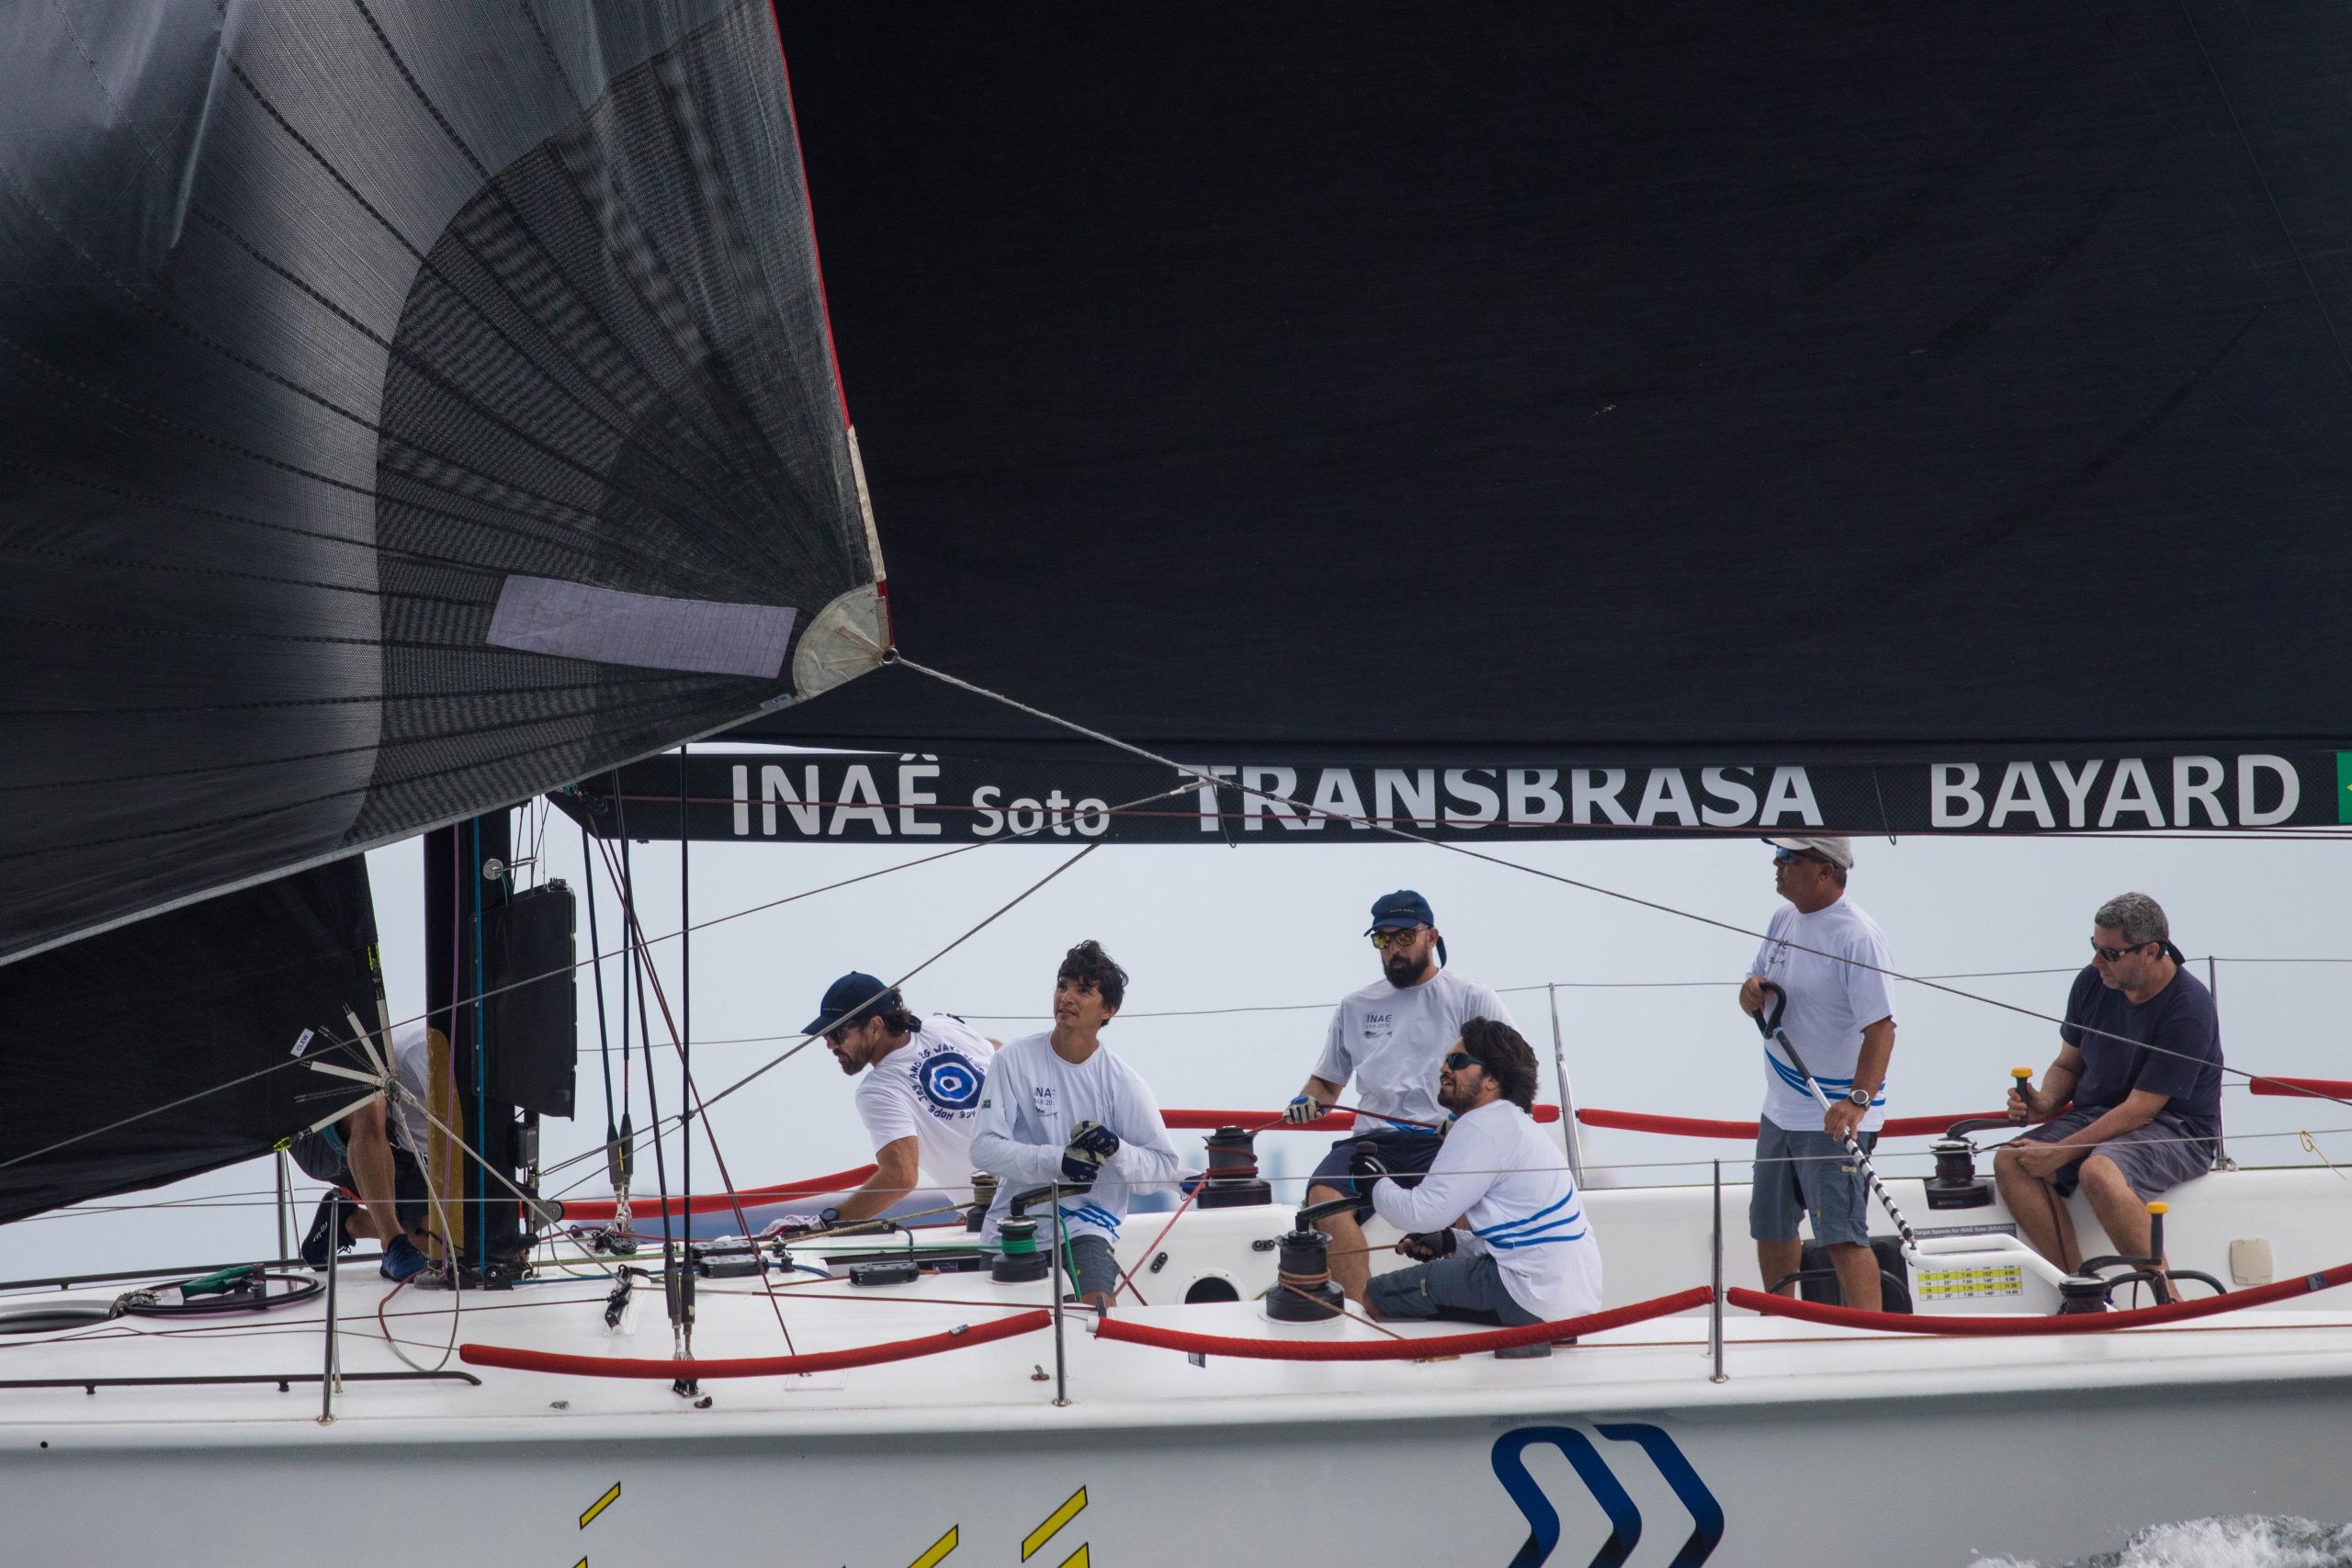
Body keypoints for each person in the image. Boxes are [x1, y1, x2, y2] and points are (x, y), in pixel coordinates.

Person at [1289, 889, 1514, 1304]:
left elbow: (1512, 1074)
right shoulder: (1354, 1006)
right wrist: (1304, 1102)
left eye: (1404, 938)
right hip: (1371, 1142)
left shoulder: (1472, 998)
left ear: (1432, 937)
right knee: (1322, 1199)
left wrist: (1468, 1120)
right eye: (1383, 939)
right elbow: (1325, 1085)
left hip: (1446, 1138)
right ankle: (1361, 1324)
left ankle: (1461, 1316)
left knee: (1469, 1201)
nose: (1393, 949)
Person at [1994, 893, 2222, 1292]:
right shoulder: (2093, 982)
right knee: (2012, 1161)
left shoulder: (2189, 1007)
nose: (2098, 962)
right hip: (2101, 1113)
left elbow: (2141, 1111)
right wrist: (2044, 1102)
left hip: (2179, 1128)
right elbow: (2068, 1064)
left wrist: (2061, 1151)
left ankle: (2167, 1298)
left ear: (2151, 951)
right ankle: (2082, 1290)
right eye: (2095, 948)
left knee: (2098, 1170)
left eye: (2110, 954)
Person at [1357, 1017, 1600, 1346]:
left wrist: (1373, 1180)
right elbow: (1521, 1239)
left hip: (1528, 1296)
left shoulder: (1480, 1126)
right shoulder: (1517, 1125)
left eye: (1457, 1062)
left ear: (1492, 1079)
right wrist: (1452, 1242)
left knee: (1376, 1296)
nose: (1443, 1068)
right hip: (1568, 1301)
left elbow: (1420, 1213)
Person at [969, 941, 1182, 1309]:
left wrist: (1115, 1147)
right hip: (1015, 1223)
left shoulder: (1122, 1081)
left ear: (1108, 1010)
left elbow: (1163, 1169)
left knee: (1098, 1314)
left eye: (1083, 990)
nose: (1066, 997)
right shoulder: (1012, 1060)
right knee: (1005, 1334)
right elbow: (983, 1147)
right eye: (1062, 985)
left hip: (1088, 1223)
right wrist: (1060, 1160)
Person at [1737, 836, 1896, 1311]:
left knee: (1841, 1236)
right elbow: (1756, 988)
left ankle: (1869, 1337)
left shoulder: (1858, 936)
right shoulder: (1783, 918)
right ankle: (1780, 1322)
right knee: (1771, 1225)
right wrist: (1749, 993)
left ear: (1824, 871)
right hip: (1781, 1109)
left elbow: (1882, 1028)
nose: (1776, 862)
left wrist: (1858, 1101)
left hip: (1832, 1115)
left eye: (1789, 857)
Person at [781, 973, 1001, 1233]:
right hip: (1049, 1185)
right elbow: (995, 1050)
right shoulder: (945, 1027)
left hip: (1008, 1216)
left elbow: (901, 1177)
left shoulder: (879, 1089)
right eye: (825, 1036)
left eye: (837, 1033)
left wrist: (825, 1222)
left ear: (875, 1026)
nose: (829, 1044)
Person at [289, 1021, 435, 1280]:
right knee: (370, 1089)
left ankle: (346, 1223)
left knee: (446, 1237)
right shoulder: (426, 1052)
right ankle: (394, 1245)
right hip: (315, 1132)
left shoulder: (498, 1071)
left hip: (397, 1148)